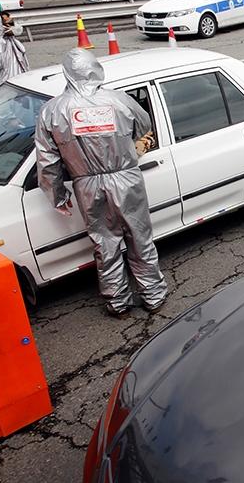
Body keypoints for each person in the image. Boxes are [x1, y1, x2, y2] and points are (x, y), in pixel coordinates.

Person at [35, 48, 168, 319]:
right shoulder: (120, 100)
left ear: (66, 74)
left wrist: (58, 196)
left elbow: (46, 160)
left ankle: (118, 305)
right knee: (140, 238)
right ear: (96, 69)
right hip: (126, 178)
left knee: (104, 244)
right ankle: (153, 297)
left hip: (86, 185)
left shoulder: (52, 110)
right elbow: (144, 127)